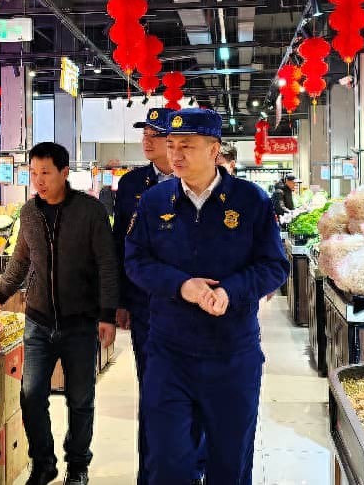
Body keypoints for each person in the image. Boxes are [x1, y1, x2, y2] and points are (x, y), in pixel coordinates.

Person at [125, 108, 288, 484]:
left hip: (232, 354)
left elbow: (274, 266)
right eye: (171, 145)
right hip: (169, 354)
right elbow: (135, 261)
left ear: (214, 150)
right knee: (167, 463)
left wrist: (231, 291)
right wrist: (181, 285)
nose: (175, 154)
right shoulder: (154, 202)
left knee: (229, 464)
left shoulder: (251, 201)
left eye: (187, 145)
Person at [0, 142, 118, 485]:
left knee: (80, 399)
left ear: (64, 172)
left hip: (81, 323)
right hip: (39, 322)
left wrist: (107, 314)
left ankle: (78, 465)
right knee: (31, 396)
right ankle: (43, 463)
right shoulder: (29, 212)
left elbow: (107, 264)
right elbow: (20, 260)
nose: (38, 180)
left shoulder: (90, 211)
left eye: (45, 172)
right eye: (33, 173)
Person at [110, 107, 173, 485]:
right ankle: (150, 472)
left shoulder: (201, 182)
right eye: (144, 134)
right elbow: (119, 243)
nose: (147, 141)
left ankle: (191, 468)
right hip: (145, 304)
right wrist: (118, 300)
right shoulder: (132, 183)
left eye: (155, 134)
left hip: (192, 307)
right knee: (151, 388)